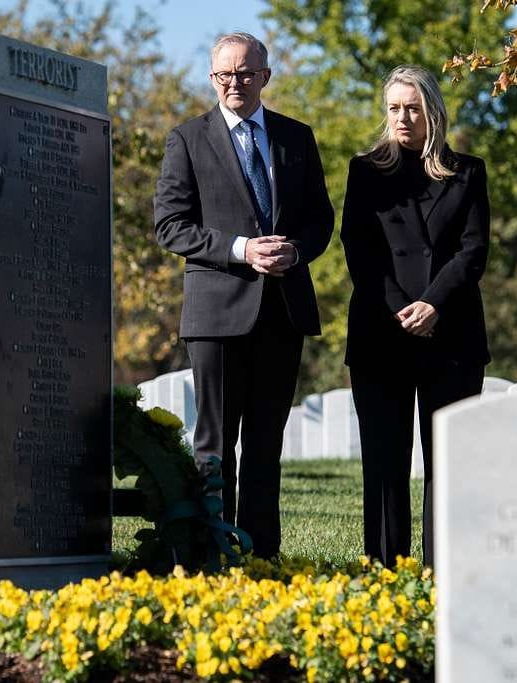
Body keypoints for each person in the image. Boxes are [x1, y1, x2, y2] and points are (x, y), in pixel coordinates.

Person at [153, 32, 334, 558]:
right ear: (212, 78)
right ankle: (211, 551)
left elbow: (320, 219)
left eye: (246, 73)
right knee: (214, 446)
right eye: (224, 74)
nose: (234, 82)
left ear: (265, 77)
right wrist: (241, 249)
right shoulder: (187, 139)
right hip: (216, 315)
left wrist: (294, 252)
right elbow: (170, 226)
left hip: (283, 310)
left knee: (265, 445)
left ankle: (260, 556)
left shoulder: (296, 138)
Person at [341, 65, 490, 567]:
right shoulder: (365, 171)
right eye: (393, 109)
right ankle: (385, 573)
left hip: (452, 335)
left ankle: (445, 572)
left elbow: (473, 252)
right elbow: (359, 249)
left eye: (412, 108)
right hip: (381, 332)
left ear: (433, 111)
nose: (402, 118)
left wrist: (433, 303)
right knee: (384, 464)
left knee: (448, 463)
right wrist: (401, 307)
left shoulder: (468, 172)